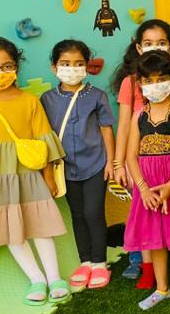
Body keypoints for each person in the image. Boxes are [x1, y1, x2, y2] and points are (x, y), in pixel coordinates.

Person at [0, 37, 68, 305]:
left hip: (27, 173)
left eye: (6, 66)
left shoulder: (29, 101)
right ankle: (36, 279)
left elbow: (43, 140)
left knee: (40, 225)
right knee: (11, 228)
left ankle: (55, 278)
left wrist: (48, 176)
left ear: (16, 68)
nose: (0, 73)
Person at [109, 18, 170, 281]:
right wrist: (119, 164)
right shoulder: (131, 83)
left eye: (161, 42)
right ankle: (145, 267)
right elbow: (124, 125)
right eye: (149, 43)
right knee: (145, 213)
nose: (155, 47)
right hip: (142, 162)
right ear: (139, 48)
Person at [124, 51, 170, 313]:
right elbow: (131, 156)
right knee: (154, 238)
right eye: (148, 80)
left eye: (161, 79)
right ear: (140, 83)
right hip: (148, 186)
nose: (155, 85)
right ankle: (162, 288)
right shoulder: (138, 116)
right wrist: (143, 190)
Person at [40, 39, 115, 292]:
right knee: (78, 214)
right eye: (65, 63)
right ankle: (85, 262)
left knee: (94, 213)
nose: (72, 68)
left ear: (86, 66)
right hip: (65, 169)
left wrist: (111, 162)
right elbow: (44, 134)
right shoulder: (47, 99)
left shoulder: (97, 96)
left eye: (78, 63)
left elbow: (106, 129)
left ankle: (100, 263)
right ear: (54, 67)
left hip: (95, 164)